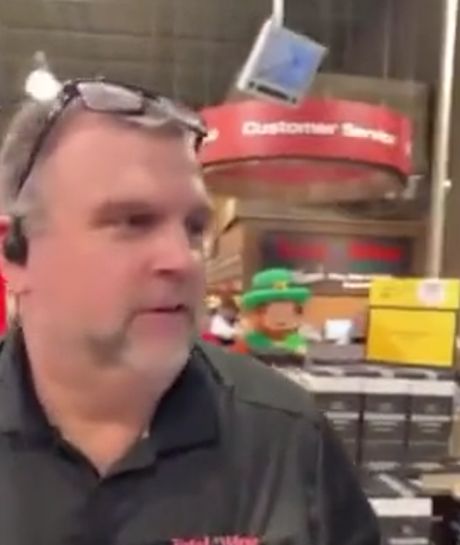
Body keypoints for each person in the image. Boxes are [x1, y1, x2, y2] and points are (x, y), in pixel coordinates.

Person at [0, 78, 379, 544]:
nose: (182, 259)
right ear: (16, 254)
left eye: (195, 227)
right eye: (133, 221)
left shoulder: (290, 440)